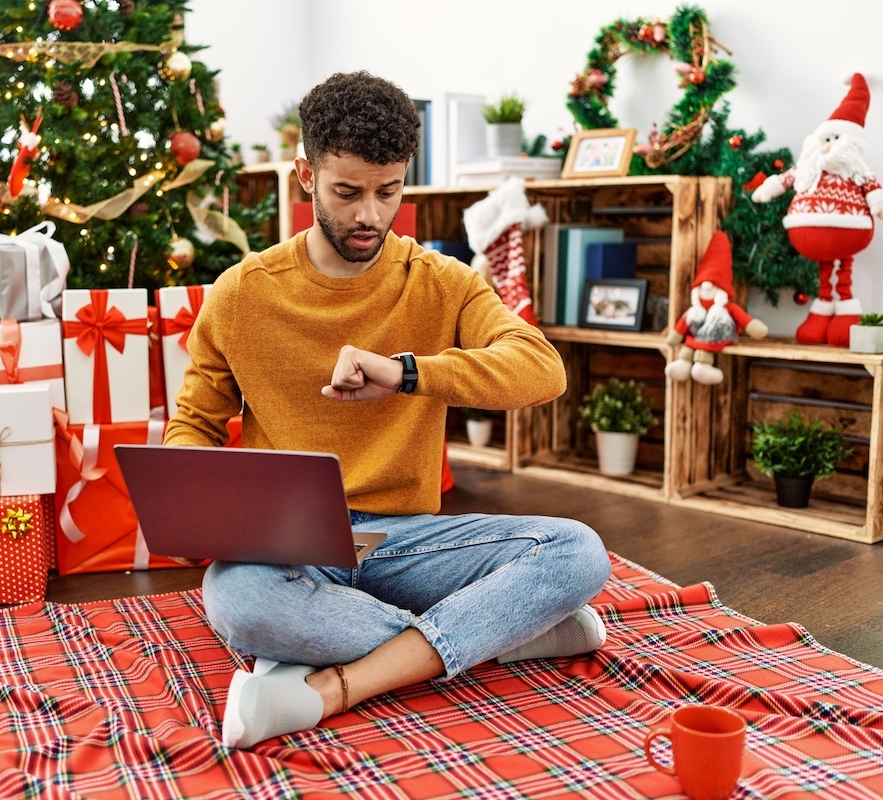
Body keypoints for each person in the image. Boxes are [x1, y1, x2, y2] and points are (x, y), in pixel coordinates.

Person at [163, 71, 612, 749]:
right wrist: (191, 501)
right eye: (348, 193)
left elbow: (541, 369)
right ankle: (504, 632)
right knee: (239, 600)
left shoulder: (442, 282)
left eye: (388, 191)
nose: (371, 215)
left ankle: (339, 685)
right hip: (290, 547)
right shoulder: (242, 293)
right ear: (305, 176)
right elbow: (194, 423)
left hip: (408, 544)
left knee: (577, 552)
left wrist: (408, 373)